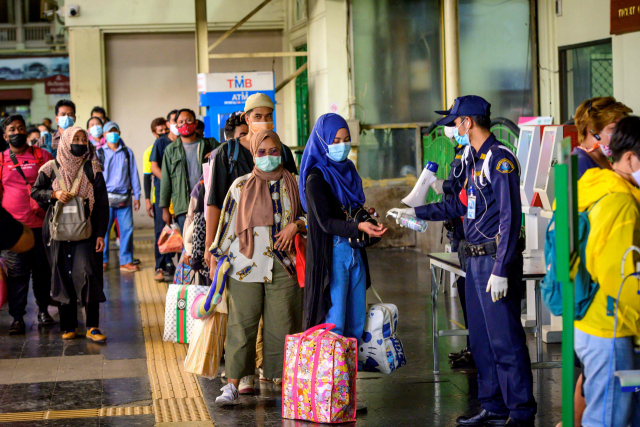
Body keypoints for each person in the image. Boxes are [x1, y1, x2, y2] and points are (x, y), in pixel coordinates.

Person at [389, 96, 536, 427]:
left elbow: (510, 219)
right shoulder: (472, 160)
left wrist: (501, 268)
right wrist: (415, 211)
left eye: (455, 122)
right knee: (482, 341)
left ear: (468, 122)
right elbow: (455, 206)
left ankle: (521, 412)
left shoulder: (500, 161)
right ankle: (493, 405)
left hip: (495, 261)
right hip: (473, 260)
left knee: (506, 340)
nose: (453, 128)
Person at [210, 129, 304, 406]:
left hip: (285, 265)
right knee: (242, 324)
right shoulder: (240, 186)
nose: (268, 157)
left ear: (282, 152)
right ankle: (233, 385)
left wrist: (296, 225)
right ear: (253, 154)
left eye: (273, 151)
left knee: (285, 325)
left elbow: (313, 217)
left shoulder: (295, 184)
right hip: (244, 266)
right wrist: (216, 255)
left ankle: (285, 381)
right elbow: (227, 223)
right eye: (261, 152)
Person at [571, 115, 640, 427]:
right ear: (630, 158)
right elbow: (620, 275)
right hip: (612, 327)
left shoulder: (599, 186)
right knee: (609, 418)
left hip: (601, 323)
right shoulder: (621, 202)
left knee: (623, 412)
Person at [300, 113, 386, 340]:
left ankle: (350, 375)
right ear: (322, 141)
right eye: (335, 141)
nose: (342, 146)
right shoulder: (315, 178)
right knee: (334, 323)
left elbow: (350, 208)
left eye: (346, 139)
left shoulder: (348, 170)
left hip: (355, 251)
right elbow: (326, 222)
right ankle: (332, 375)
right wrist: (359, 228)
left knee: (356, 322)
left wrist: (366, 217)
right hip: (334, 253)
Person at [31, 126, 109, 342]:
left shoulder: (93, 168)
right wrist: (54, 194)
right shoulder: (49, 167)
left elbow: (102, 204)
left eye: (84, 139)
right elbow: (35, 192)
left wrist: (101, 234)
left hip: (88, 230)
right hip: (56, 231)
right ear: (65, 141)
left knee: (89, 274)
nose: (81, 142)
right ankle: (68, 325)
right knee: (62, 276)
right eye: (76, 138)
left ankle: (92, 326)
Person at [205, 94, 296, 270]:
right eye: (257, 117)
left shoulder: (282, 151)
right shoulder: (228, 152)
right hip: (238, 243)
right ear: (247, 119)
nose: (263, 121)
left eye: (268, 116)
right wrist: (210, 245)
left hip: (278, 244)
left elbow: (294, 196)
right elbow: (215, 202)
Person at [0, 115, 55, 335]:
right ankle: (17, 318)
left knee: (42, 271)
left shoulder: (43, 156)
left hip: (41, 225)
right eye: (12, 129)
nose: (17, 132)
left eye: (20, 128)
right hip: (13, 230)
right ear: (5, 136)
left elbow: (57, 184)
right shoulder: (1, 160)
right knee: (16, 275)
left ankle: (43, 310)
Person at [431, 127, 473, 368]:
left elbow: (461, 188)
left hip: (468, 231)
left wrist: (445, 187)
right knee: (464, 288)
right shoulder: (460, 151)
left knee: (470, 291)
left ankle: (476, 348)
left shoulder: (473, 153)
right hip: (458, 229)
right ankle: (472, 346)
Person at [160, 108, 218, 233]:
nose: (185, 124)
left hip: (208, 203)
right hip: (183, 207)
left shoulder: (209, 144)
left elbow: (225, 152)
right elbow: (165, 181)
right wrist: (165, 210)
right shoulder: (171, 150)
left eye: (188, 120)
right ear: (176, 125)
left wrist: (215, 153)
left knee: (209, 242)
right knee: (188, 246)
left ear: (195, 123)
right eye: (181, 122)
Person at [98, 121, 141, 272]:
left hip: (124, 199)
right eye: (109, 132)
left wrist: (137, 196)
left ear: (119, 133)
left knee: (127, 230)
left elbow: (134, 174)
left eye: (115, 131)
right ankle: (102, 260)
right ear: (104, 135)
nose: (113, 134)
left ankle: (126, 260)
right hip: (105, 200)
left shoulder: (127, 152)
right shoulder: (99, 153)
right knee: (103, 231)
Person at [573, 97, 632, 179]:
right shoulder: (578, 165)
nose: (621, 134)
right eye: (614, 128)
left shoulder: (605, 159)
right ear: (591, 129)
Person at [145, 117, 171, 281]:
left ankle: (170, 263)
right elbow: (147, 177)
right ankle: (160, 266)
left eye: (164, 130)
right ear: (154, 133)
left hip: (175, 198)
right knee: (161, 232)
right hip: (159, 197)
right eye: (159, 131)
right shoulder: (151, 151)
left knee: (174, 231)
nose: (162, 133)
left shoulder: (174, 145)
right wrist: (147, 199)